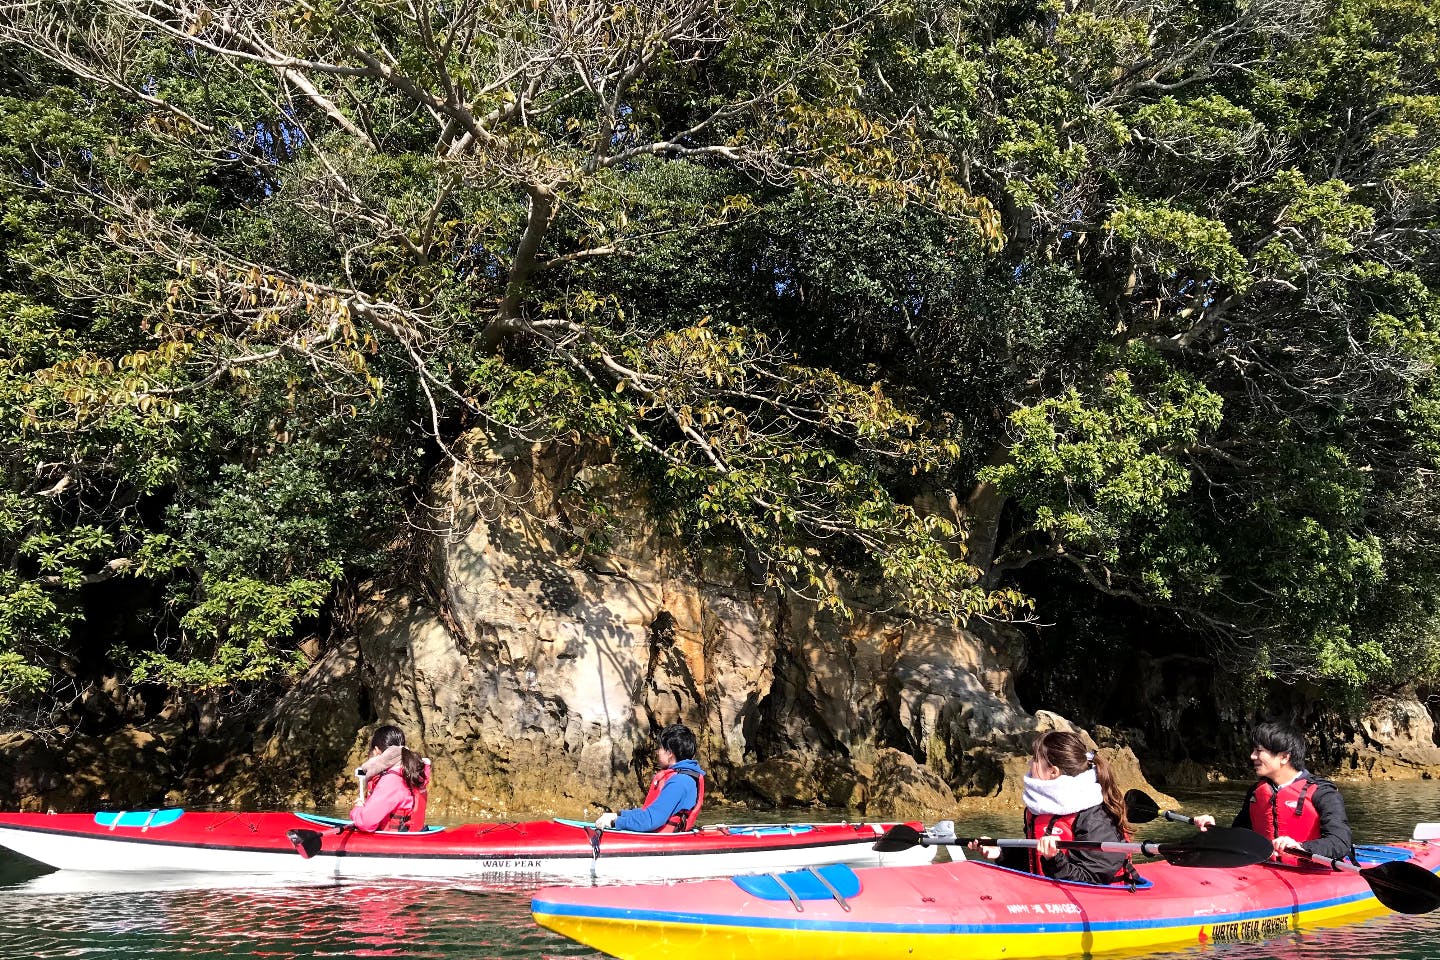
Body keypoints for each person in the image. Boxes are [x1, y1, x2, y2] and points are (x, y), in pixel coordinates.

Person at [970, 730, 1137, 885]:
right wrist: (1000, 852)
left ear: (1053, 772)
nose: (1029, 763)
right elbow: (1034, 860)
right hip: (1050, 894)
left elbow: (1095, 878)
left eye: (1035, 759)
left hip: (1098, 900)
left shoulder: (1094, 817)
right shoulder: (1037, 809)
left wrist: (1054, 859)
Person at [1192, 722, 1353, 862]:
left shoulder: (1324, 793)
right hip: (1265, 870)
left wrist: (1301, 847)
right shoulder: (1256, 792)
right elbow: (1241, 836)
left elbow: (1340, 842)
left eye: (1258, 750)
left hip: (1311, 872)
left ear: (1284, 757)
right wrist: (1214, 831)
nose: (1252, 756)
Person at [595, 723, 706, 833]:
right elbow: (648, 812)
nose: (657, 752)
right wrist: (618, 814)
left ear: (670, 753)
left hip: (664, 841)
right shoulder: (682, 777)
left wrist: (615, 822)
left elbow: (650, 820)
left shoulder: (680, 782)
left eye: (660, 748)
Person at [349, 724, 431, 833]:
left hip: (393, 841)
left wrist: (358, 809)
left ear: (377, 751)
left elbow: (366, 823)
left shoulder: (392, 780)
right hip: (412, 837)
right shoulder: (410, 772)